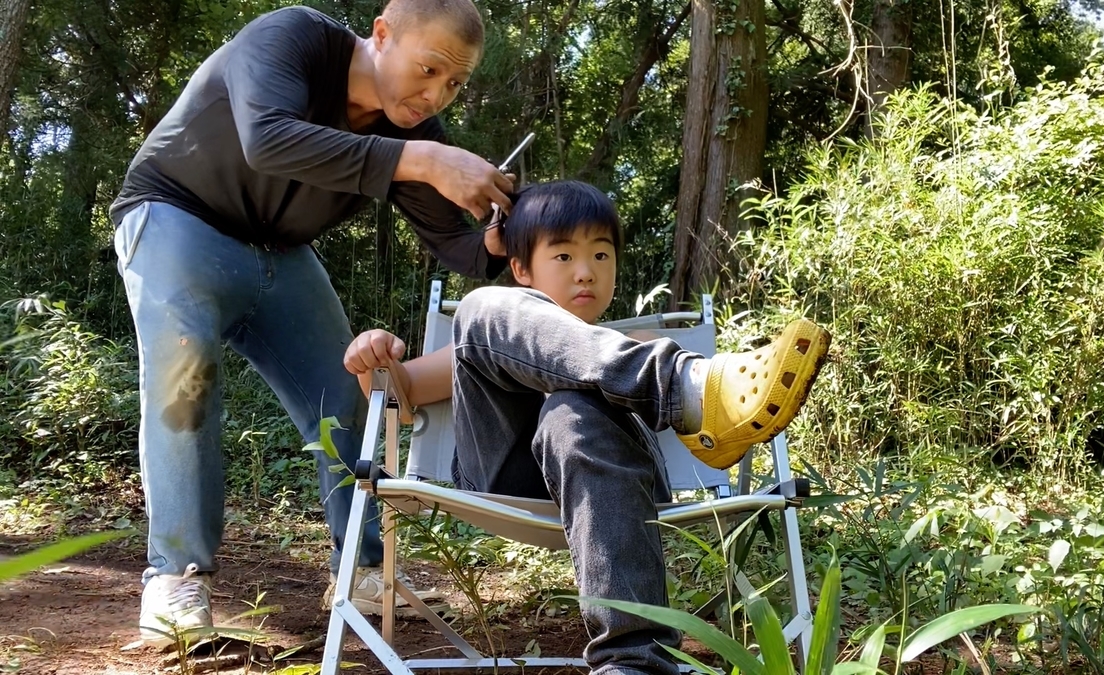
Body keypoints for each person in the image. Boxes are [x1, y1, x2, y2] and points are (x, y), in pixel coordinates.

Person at [109, 0, 514, 646]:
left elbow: (455, 245)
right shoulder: (292, 37)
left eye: (454, 84)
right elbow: (265, 138)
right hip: (177, 213)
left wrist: (494, 243)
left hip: (280, 252)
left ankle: (359, 569)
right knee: (184, 375)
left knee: (350, 384)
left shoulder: (414, 134)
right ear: (382, 34)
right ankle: (175, 579)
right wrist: (423, 161)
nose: (435, 95)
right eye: (429, 68)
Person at [344, 180, 831, 674]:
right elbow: (398, 393)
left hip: (616, 486)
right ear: (521, 268)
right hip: (506, 480)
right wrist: (372, 358)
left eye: (601, 255)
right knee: (478, 308)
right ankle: (680, 389)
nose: (585, 272)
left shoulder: (636, 339)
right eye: (563, 257)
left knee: (573, 410)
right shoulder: (488, 330)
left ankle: (631, 664)